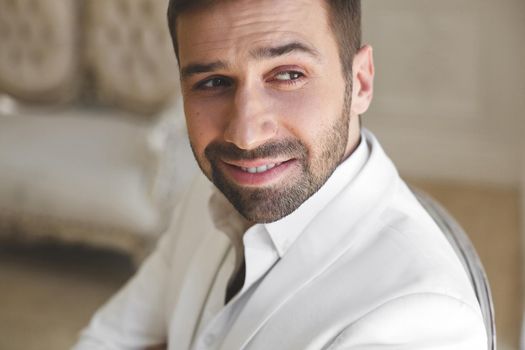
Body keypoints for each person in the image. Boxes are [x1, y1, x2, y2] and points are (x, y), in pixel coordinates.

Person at [73, 0, 487, 349]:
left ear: (359, 82)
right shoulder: (205, 198)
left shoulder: (422, 318)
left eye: (288, 75)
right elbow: (106, 340)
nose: (246, 135)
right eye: (212, 81)